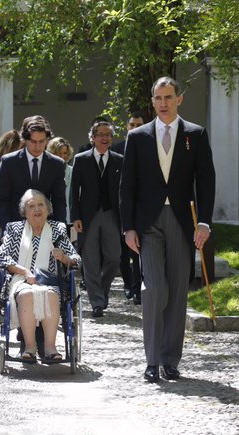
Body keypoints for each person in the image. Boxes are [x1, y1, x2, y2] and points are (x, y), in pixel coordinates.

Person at [120, 76, 215, 383]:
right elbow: (127, 186)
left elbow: (206, 181)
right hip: (147, 224)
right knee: (154, 289)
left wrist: (204, 222)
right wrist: (128, 228)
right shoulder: (138, 137)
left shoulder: (196, 135)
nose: (163, 103)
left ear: (179, 99)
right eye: (158, 98)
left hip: (181, 220)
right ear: (152, 101)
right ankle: (151, 361)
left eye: (168, 97)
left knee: (176, 293)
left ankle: (170, 360)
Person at [0, 189, 80, 362]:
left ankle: (50, 347)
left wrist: (64, 258)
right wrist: (25, 271)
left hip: (50, 280)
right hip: (21, 280)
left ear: (48, 209)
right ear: (24, 212)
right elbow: (1, 256)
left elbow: (76, 259)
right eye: (31, 206)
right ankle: (30, 347)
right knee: (27, 294)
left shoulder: (58, 230)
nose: (37, 209)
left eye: (41, 204)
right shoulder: (15, 229)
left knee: (50, 294)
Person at [70, 121, 123, 318]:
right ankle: (97, 302)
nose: (105, 138)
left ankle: (101, 288)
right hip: (88, 216)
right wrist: (75, 216)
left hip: (111, 214)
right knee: (90, 259)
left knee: (114, 256)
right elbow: (74, 191)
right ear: (92, 138)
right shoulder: (81, 159)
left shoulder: (119, 160)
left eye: (108, 134)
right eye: (100, 134)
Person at [0, 116, 67, 227]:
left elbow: (59, 201)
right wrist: (6, 229)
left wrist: (59, 230)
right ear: (24, 140)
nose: (38, 147)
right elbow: (2, 199)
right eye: (33, 141)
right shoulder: (9, 162)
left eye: (42, 141)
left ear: (47, 140)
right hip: (15, 226)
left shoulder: (57, 164)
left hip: (46, 227)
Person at [111, 111, 145, 304]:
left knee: (138, 249)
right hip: (119, 206)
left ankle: (139, 288)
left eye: (138, 124)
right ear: (127, 127)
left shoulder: (149, 146)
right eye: (131, 124)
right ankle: (128, 285)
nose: (135, 127)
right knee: (122, 251)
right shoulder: (117, 149)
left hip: (141, 207)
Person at [46, 136, 74, 225]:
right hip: (49, 219)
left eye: (65, 153)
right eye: (58, 153)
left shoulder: (73, 171)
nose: (63, 156)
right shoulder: (45, 172)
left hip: (71, 219)